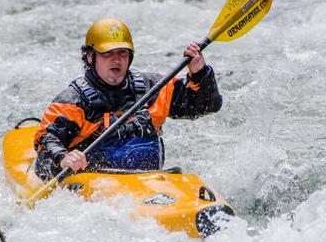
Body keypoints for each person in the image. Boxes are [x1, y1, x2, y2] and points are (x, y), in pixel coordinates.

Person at [34, 18, 223, 180]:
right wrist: (62, 157)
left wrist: (199, 73)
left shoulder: (154, 89)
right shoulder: (72, 102)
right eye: (108, 53)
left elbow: (207, 106)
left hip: (147, 183)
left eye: (122, 53)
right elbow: (46, 143)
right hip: (97, 186)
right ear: (91, 57)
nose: (116, 60)